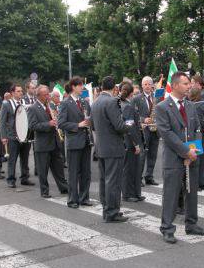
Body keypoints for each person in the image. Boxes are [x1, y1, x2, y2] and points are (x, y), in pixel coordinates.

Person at [155, 71, 204, 243]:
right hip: (174, 158)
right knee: (171, 194)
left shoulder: (191, 106)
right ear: (176, 85)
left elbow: (197, 130)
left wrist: (194, 152)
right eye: (186, 84)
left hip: (191, 157)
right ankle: (167, 228)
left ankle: (191, 224)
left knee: (191, 192)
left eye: (189, 84)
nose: (189, 86)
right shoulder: (162, 107)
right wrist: (185, 151)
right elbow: (166, 133)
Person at [91, 76, 130, 223]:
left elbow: (93, 126)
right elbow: (119, 126)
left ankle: (106, 209)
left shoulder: (95, 102)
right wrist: (129, 126)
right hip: (113, 147)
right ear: (114, 88)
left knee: (104, 180)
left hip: (100, 147)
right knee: (113, 181)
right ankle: (112, 212)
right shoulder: (112, 101)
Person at [58, 77, 94, 208]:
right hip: (74, 141)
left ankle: (84, 197)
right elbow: (61, 123)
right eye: (80, 86)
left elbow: (89, 117)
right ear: (73, 87)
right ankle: (72, 199)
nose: (82, 88)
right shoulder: (65, 103)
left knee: (86, 172)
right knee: (73, 172)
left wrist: (90, 121)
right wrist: (77, 125)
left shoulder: (84, 102)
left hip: (86, 140)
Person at [27, 85, 68, 198]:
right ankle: (44, 191)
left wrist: (56, 119)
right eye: (45, 95)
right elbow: (32, 126)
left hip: (54, 141)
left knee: (58, 167)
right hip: (43, 144)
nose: (48, 96)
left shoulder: (49, 106)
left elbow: (54, 120)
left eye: (48, 94)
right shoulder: (32, 108)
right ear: (38, 96)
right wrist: (48, 124)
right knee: (43, 169)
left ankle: (63, 187)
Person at [0, 84, 33, 188]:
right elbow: (2, 121)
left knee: (25, 158)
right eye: (18, 91)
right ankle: (11, 179)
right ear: (12, 93)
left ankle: (24, 178)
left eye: (21, 91)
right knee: (12, 159)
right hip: (12, 136)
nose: (21, 93)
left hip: (25, 135)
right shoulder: (7, 104)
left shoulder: (25, 103)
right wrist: (4, 136)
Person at [120, 81, 145, 202]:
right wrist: (136, 144)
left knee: (134, 168)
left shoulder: (124, 104)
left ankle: (135, 193)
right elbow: (129, 126)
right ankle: (127, 194)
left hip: (128, 140)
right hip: (130, 141)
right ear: (131, 94)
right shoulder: (128, 106)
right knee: (129, 168)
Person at [132, 76, 159, 186]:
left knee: (153, 154)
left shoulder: (156, 98)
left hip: (155, 130)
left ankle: (149, 176)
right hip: (144, 130)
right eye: (145, 84)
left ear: (152, 85)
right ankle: (139, 177)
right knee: (142, 155)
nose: (148, 86)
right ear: (142, 86)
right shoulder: (137, 98)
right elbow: (133, 114)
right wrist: (143, 119)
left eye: (149, 84)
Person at [188, 87, 204, 191]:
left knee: (201, 159)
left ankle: (201, 182)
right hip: (196, 135)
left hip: (197, 135)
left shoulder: (192, 105)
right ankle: (199, 183)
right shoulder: (192, 106)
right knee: (198, 159)